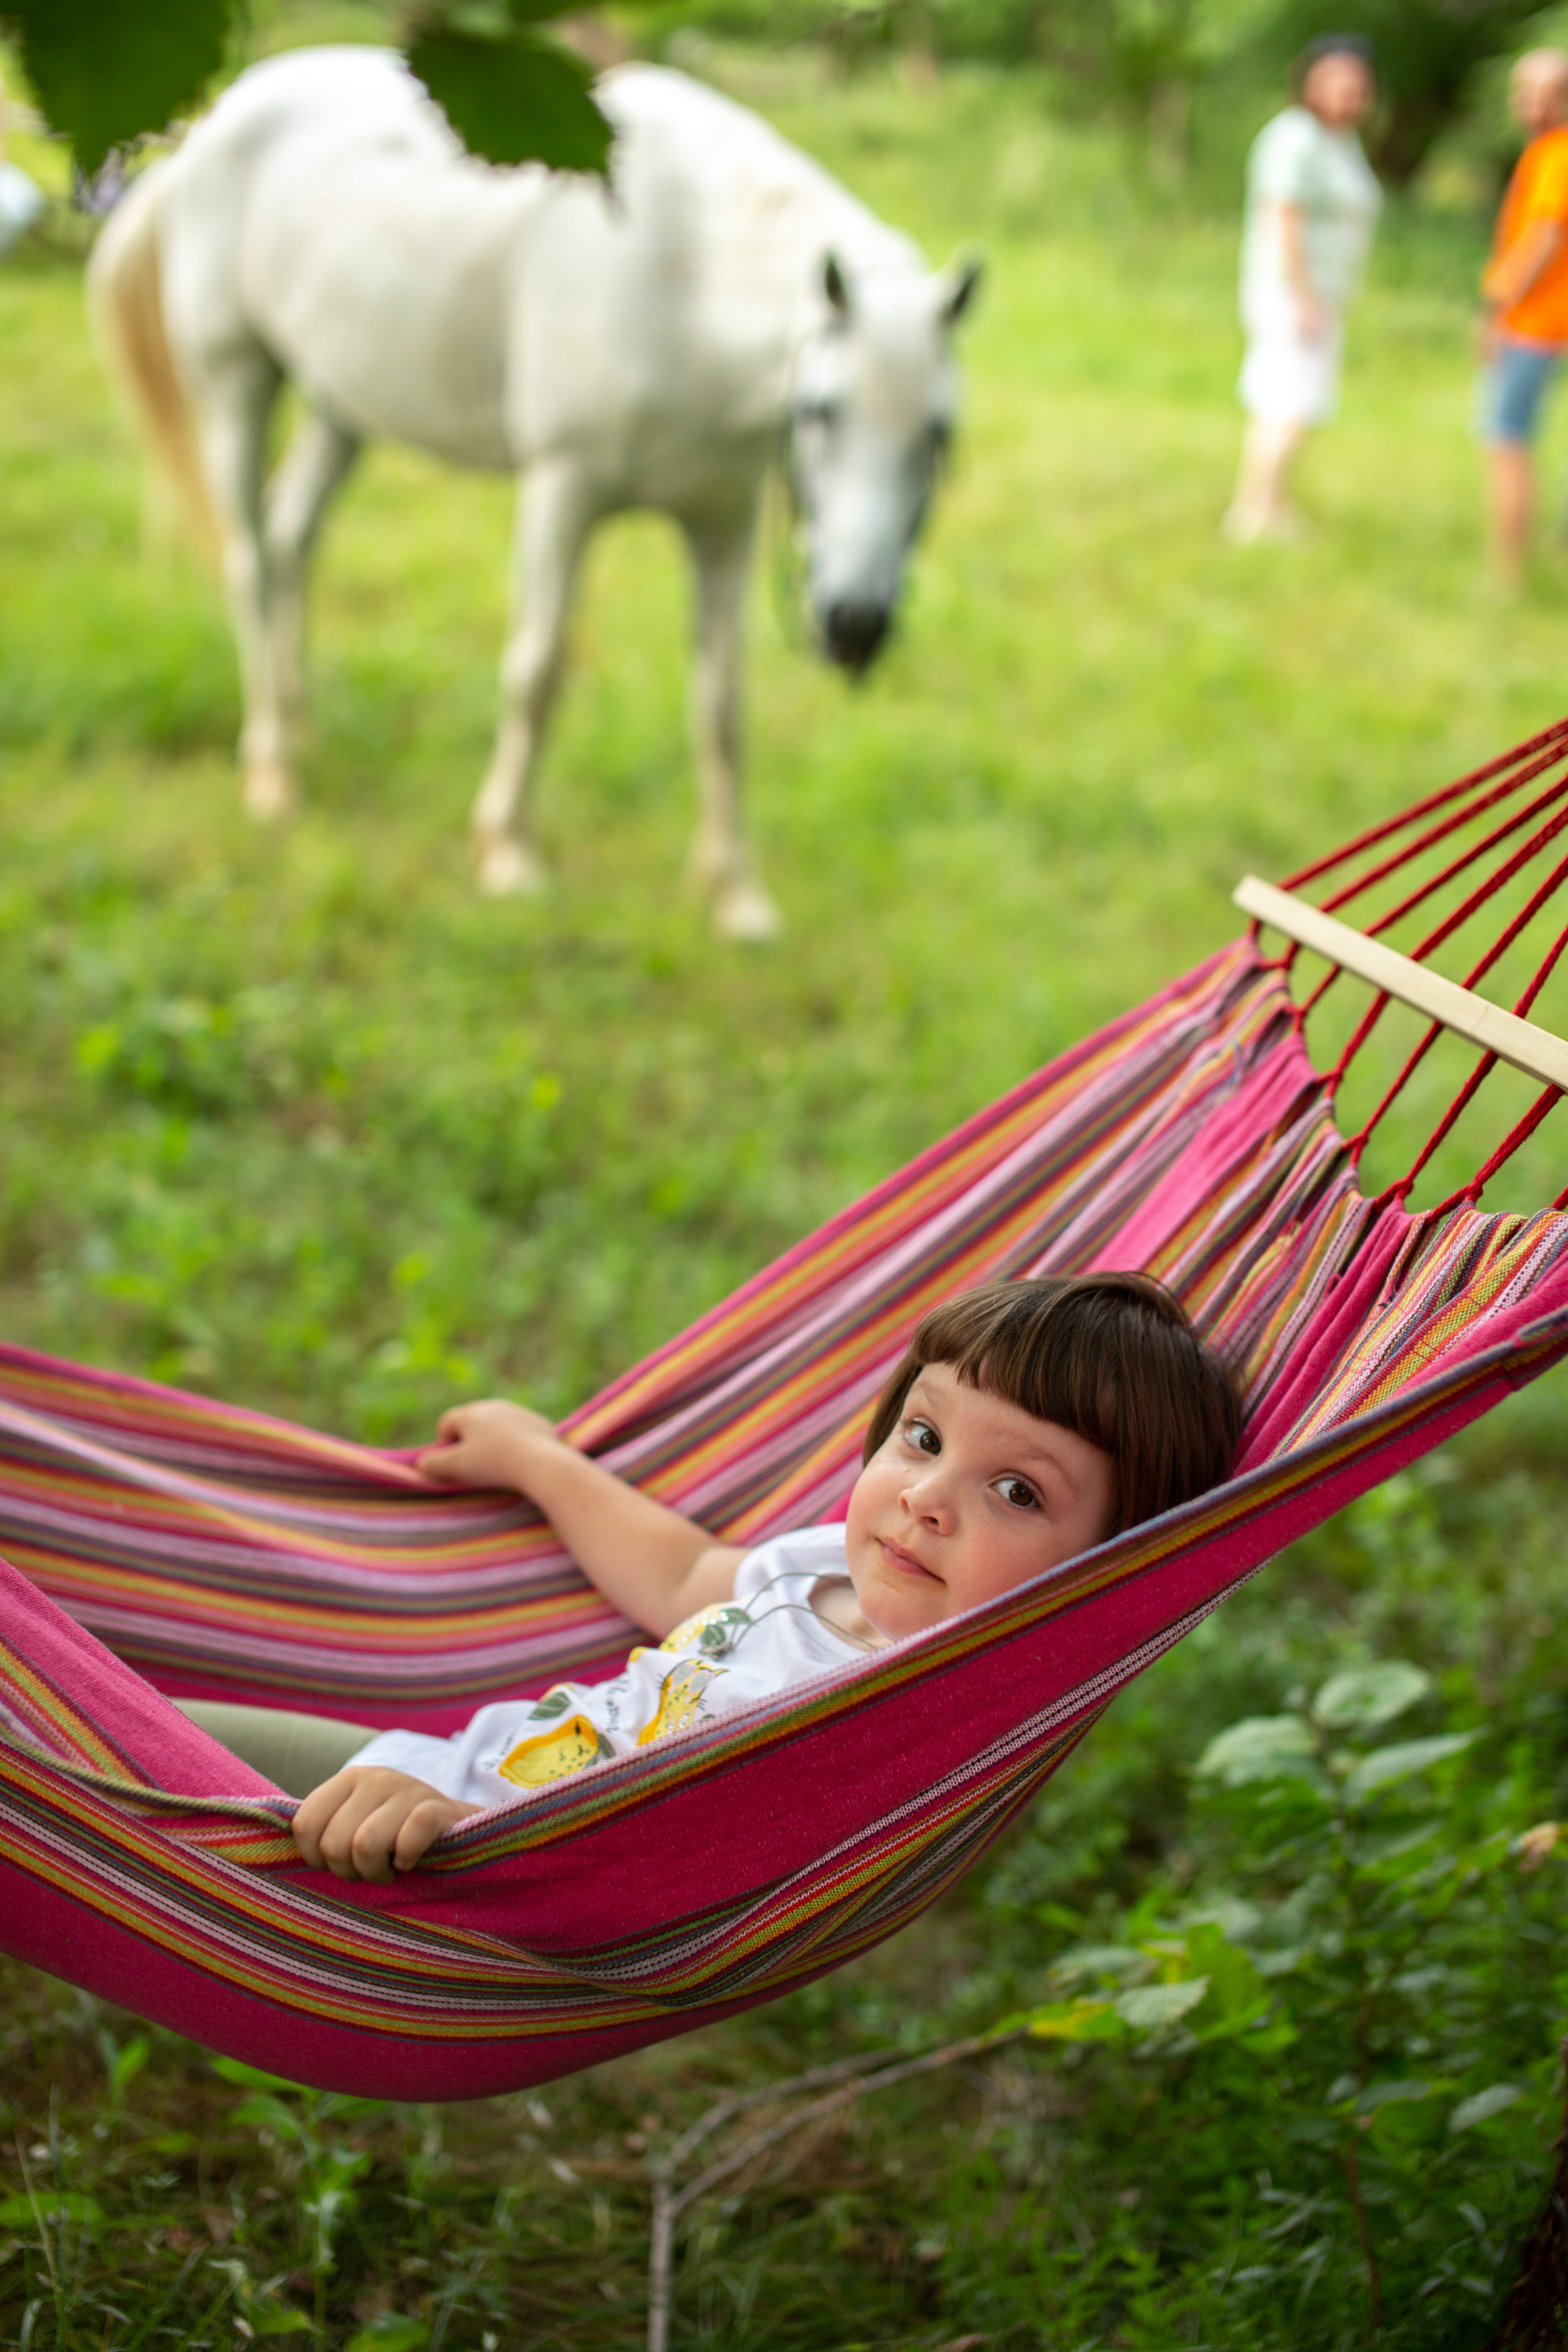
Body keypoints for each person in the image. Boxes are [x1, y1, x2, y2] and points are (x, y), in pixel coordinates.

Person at [178, 1274, 1240, 1882]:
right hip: (433, 1770)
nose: (925, 1497)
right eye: (922, 1436)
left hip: (450, 1872)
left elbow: (664, 1866)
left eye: (1018, 1493)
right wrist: (538, 1461)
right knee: (91, 1723)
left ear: (1104, 1575)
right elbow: (685, 1573)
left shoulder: (897, 1717)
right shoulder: (824, 1572)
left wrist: (469, 1844)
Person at [1223, 34, 1381, 545]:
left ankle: (1271, 505)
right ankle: (1253, 513)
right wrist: (1306, 296)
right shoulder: (1295, 138)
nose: (1348, 93)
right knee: (1288, 402)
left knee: (1292, 400)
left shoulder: (1340, 140)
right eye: (1337, 81)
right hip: (1293, 293)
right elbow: (1284, 218)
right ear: (1310, 82)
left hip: (1324, 292)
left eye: (1357, 85)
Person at [1479, 49, 1568, 590]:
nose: (1533, 103)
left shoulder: (1556, 155)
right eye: (1524, 89)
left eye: (1548, 90)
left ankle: (1506, 575)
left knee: (1506, 440)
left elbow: (1544, 237)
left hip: (1537, 325)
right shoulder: (1543, 152)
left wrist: (1497, 306)